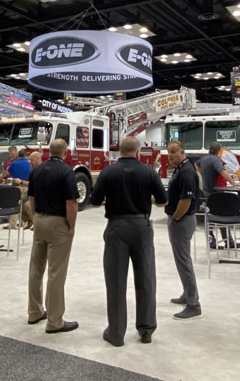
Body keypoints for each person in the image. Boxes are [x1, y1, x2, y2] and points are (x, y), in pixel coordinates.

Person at [90, 136, 167, 347]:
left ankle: (115, 333)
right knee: (146, 278)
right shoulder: (149, 172)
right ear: (138, 152)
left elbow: (94, 202)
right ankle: (146, 329)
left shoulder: (107, 172)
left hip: (117, 227)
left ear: (119, 152)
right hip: (142, 227)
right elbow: (162, 200)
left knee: (115, 281)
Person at [27, 138, 80, 334]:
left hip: (39, 219)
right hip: (58, 223)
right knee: (56, 272)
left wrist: (35, 219)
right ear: (65, 153)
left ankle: (34, 311)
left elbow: (31, 198)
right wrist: (71, 226)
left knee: (36, 268)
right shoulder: (67, 171)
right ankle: (55, 320)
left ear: (49, 151)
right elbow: (71, 203)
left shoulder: (36, 170)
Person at [164, 141, 202, 320]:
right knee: (181, 261)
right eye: (168, 152)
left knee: (184, 261)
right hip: (179, 220)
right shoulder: (181, 168)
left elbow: (186, 201)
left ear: (182, 152)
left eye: (173, 152)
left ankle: (194, 304)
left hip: (183, 221)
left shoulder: (186, 172)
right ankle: (187, 294)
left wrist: (176, 217)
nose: (170, 155)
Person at [3, 148, 32, 229]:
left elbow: (6, 174)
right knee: (24, 205)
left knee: (15, 204)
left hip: (16, 186)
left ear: (18, 156)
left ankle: (13, 224)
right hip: (26, 185)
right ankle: (23, 222)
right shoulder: (29, 163)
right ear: (25, 155)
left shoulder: (14, 164)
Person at [23, 152, 43, 229]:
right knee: (18, 200)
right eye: (29, 160)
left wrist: (21, 182)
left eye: (32, 160)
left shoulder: (42, 170)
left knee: (28, 205)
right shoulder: (32, 169)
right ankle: (29, 220)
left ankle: (37, 224)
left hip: (40, 194)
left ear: (38, 159)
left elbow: (33, 184)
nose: (30, 161)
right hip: (31, 192)